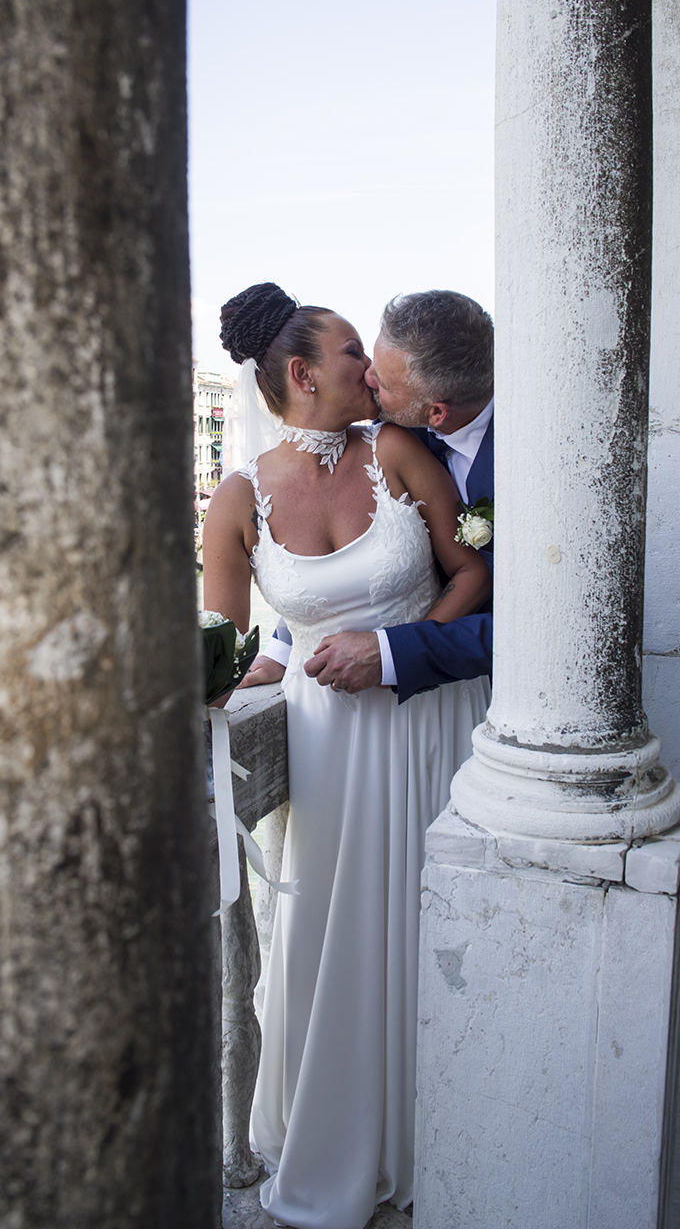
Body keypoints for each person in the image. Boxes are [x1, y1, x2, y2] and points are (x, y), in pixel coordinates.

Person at [202, 283, 491, 1229]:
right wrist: (211, 692)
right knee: (336, 941)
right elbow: (226, 643)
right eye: (354, 357)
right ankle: (342, 1140)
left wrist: (402, 652)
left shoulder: (398, 451)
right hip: (325, 750)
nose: (372, 372)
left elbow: (473, 570)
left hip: (427, 725)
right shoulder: (236, 498)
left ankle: (441, 1138)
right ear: (299, 375)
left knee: (430, 928)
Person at [243, 289, 494, 703]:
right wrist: (285, 644)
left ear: (436, 413)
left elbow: (537, 621)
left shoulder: (529, 466)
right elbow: (338, 570)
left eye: (386, 380)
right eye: (365, 356)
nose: (369, 376)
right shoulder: (401, 427)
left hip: (471, 689)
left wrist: (397, 653)